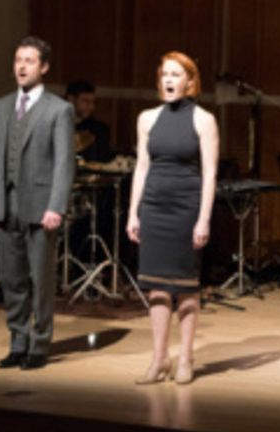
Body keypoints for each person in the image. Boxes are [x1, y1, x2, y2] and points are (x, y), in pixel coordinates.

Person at [0, 37, 75, 370]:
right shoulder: (0, 106)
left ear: (44, 67)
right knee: (12, 278)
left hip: (40, 205)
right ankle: (18, 341)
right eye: (18, 59)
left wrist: (56, 206)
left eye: (29, 61)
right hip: (6, 202)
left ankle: (40, 343)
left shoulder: (59, 109)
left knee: (40, 279)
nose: (21, 66)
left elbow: (64, 163)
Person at [126, 52, 219, 385]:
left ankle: (186, 359)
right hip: (154, 207)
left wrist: (203, 219)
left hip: (186, 209)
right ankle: (159, 358)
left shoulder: (204, 120)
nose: (168, 80)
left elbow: (210, 174)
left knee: (186, 288)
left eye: (176, 74)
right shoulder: (147, 119)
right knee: (156, 289)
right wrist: (133, 212)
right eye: (164, 74)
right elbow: (141, 168)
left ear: (190, 82)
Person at [65, 79, 112, 163]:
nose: (91, 107)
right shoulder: (56, 125)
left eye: (93, 102)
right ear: (71, 99)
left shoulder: (100, 130)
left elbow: (103, 160)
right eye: (86, 101)